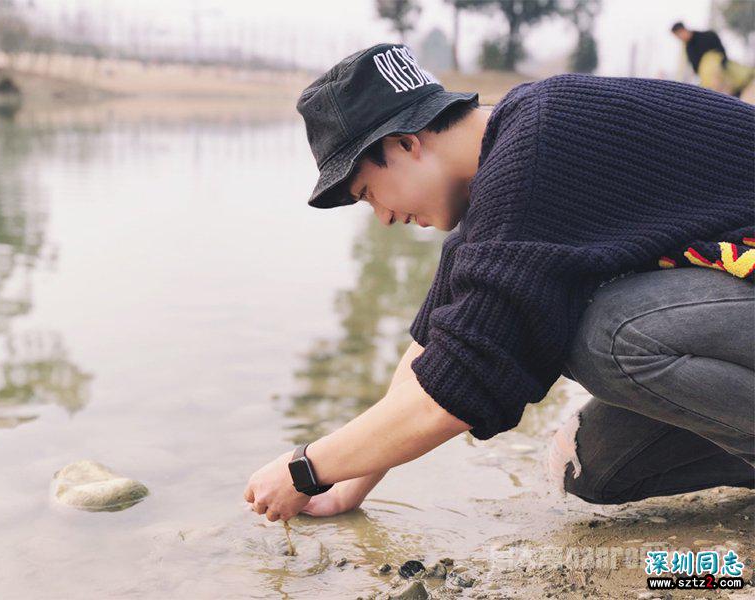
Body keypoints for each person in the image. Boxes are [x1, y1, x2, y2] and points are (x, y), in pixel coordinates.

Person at [243, 43, 754, 522]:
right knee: (592, 469)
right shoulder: (501, 174)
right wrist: (349, 483)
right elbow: (434, 348)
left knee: (604, 335)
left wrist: (307, 467)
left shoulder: (540, 145)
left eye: (368, 193)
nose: (383, 217)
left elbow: (462, 382)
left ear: (405, 143)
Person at [671, 21, 755, 98]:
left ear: (683, 30)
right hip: (711, 81)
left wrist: (720, 65)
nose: (680, 38)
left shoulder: (707, 36)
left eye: (679, 34)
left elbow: (720, 51)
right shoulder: (688, 49)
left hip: (723, 72)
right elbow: (695, 68)